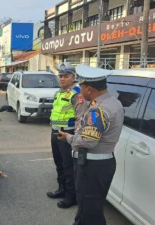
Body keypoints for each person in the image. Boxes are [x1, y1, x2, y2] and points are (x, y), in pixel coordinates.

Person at [58, 65, 124, 225]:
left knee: (91, 212)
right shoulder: (114, 102)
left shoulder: (97, 110)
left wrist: (68, 137)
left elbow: (88, 142)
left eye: (80, 87)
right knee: (87, 207)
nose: (79, 91)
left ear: (89, 89)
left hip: (92, 166)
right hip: (102, 164)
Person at [47, 62, 87, 209]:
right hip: (55, 132)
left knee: (69, 166)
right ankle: (62, 189)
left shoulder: (77, 94)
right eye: (61, 76)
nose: (62, 78)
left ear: (73, 77)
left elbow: (80, 118)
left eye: (66, 76)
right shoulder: (59, 93)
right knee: (59, 164)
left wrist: (75, 138)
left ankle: (71, 196)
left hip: (68, 134)